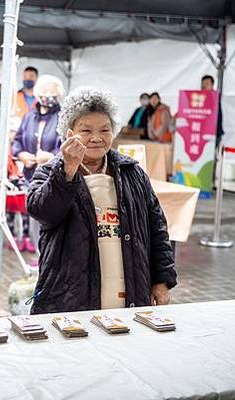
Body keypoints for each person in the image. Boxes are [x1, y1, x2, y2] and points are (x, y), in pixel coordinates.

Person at [27, 87, 177, 314]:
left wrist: (162, 280)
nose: (96, 138)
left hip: (131, 290)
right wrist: (66, 171)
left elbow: (157, 228)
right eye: (86, 130)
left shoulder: (131, 172)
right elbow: (43, 213)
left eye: (104, 130)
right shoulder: (50, 171)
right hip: (70, 296)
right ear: (69, 132)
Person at [11, 74, 65, 255]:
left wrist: (51, 157)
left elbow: (67, 146)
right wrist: (21, 154)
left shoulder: (63, 117)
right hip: (30, 175)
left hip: (53, 176)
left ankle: (50, 256)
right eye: (44, 91)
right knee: (33, 215)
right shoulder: (29, 117)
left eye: (52, 92)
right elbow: (17, 141)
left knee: (50, 217)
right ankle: (40, 255)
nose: (48, 95)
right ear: (37, 94)